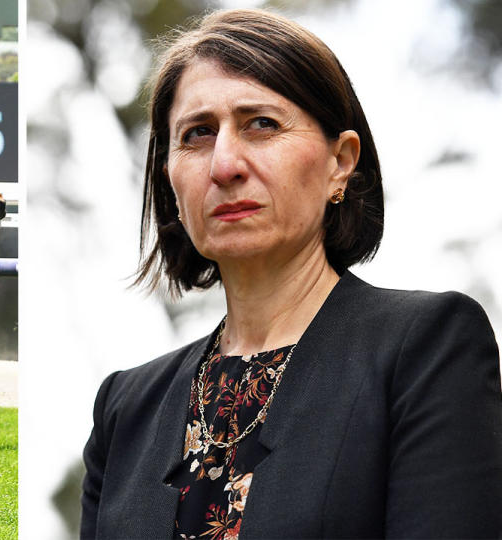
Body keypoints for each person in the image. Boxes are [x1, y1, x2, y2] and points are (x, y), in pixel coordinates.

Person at [80, 9, 502, 539]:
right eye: (197, 134)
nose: (224, 164)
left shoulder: (425, 349)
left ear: (340, 163)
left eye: (261, 124)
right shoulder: (125, 410)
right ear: (170, 178)